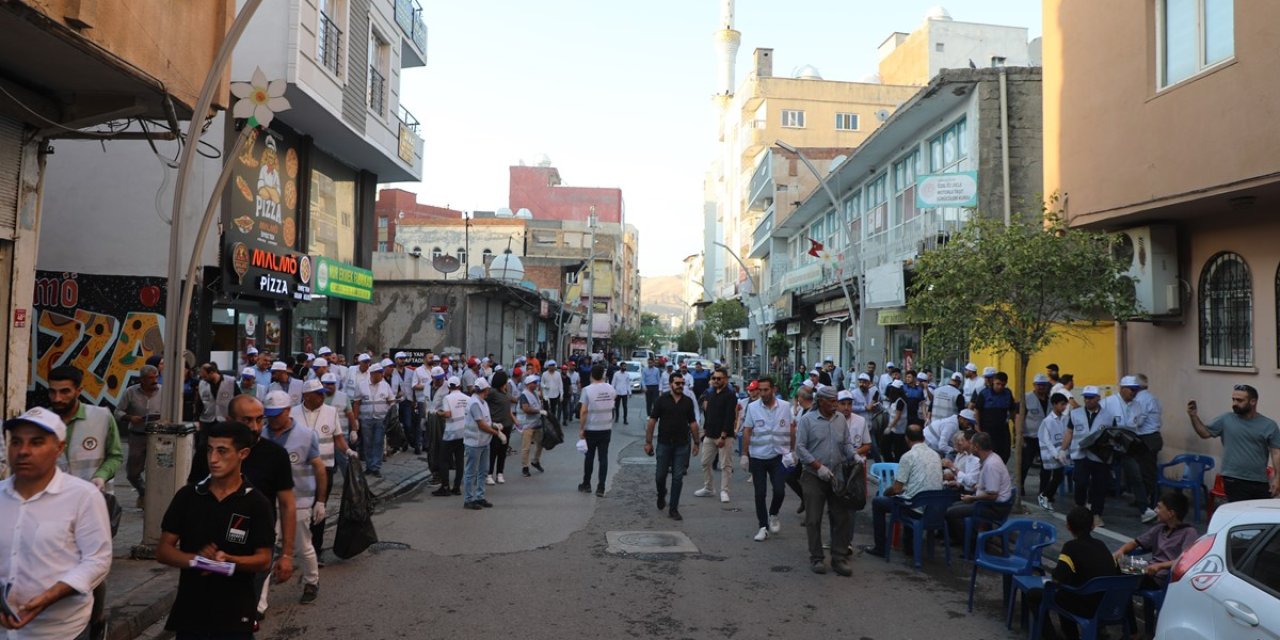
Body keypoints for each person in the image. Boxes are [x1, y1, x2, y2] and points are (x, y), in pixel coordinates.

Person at [0, 407, 112, 639]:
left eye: (36, 443)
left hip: (61, 631)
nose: (23, 451)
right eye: (16, 442)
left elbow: (97, 559)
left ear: (59, 448)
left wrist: (51, 595)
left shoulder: (83, 496)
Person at [157, 421, 274, 639]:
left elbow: (264, 559)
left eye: (222, 451)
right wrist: (196, 560)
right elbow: (163, 550)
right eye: (209, 450)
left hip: (236, 616)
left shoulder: (256, 503)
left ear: (243, 453)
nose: (213, 459)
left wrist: (231, 561)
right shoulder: (188, 497)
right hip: (191, 613)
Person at [189, 395, 296, 623]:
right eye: (247, 420)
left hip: (253, 553)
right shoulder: (209, 454)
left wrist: (286, 554)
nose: (255, 427)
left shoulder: (275, 455)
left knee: (241, 618)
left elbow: (287, 504)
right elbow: (192, 498)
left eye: (260, 420)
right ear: (230, 419)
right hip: (211, 548)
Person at [47, 366, 122, 640]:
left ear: (79, 390)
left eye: (65, 391)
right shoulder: (42, 422)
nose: (58, 397)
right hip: (52, 508)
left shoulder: (101, 417)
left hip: (94, 507)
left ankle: (97, 618)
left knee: (94, 566)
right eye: (53, 391)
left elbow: (115, 456)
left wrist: (101, 477)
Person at [261, 391, 325, 605]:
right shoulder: (262, 435)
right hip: (269, 503)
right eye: (268, 415)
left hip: (299, 502)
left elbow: (319, 469)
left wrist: (321, 501)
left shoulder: (307, 435)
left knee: (302, 546)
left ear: (288, 411)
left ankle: (311, 581)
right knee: (266, 549)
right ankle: (260, 602)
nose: (272, 419)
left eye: (276, 414)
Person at [794, 386, 857, 576]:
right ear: (820, 401)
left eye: (835, 401)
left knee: (841, 518)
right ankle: (817, 557)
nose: (835, 405)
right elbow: (800, 448)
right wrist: (817, 466)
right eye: (831, 401)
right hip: (814, 476)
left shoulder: (840, 420)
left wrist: (854, 456)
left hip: (836, 475)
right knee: (813, 519)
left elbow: (846, 442)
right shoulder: (807, 420)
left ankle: (839, 558)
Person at [1038, 506, 1121, 640]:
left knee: (1038, 595)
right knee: (1067, 594)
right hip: (1109, 606)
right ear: (1093, 526)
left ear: (1068, 527)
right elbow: (1116, 573)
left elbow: (1057, 579)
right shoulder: (1102, 545)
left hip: (1085, 607)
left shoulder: (1070, 547)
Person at [861, 424, 943, 559]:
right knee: (910, 496)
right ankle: (908, 547)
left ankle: (880, 547)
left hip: (916, 508)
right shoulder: (936, 455)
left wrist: (886, 493)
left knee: (878, 502)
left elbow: (897, 489)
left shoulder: (908, 456)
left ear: (907, 439)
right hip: (935, 508)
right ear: (923, 437)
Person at [1188, 383, 1280, 501]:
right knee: (1241, 515)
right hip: (1234, 479)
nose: (1234, 404)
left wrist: (1278, 479)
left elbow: (1276, 453)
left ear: (1253, 402)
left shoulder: (1269, 425)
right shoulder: (1225, 419)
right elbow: (1204, 433)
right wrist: (1193, 416)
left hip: (1260, 479)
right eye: (1233, 399)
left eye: (1240, 400)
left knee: (1258, 516)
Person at [295, 380, 353, 557]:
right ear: (306, 396)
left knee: (319, 509)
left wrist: (348, 451)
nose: (323, 396)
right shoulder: (293, 413)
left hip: (325, 469)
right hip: (301, 471)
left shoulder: (331, 412)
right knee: (301, 509)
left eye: (323, 393)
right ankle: (298, 545)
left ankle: (316, 549)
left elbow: (338, 438)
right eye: (318, 393)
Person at [1113, 491, 1198, 589]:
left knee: (1120, 577)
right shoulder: (1159, 528)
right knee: (1112, 564)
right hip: (1146, 570)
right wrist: (1121, 550)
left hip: (1161, 578)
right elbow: (1135, 543)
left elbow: (1185, 560)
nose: (1156, 510)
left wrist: (1160, 566)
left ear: (1171, 513)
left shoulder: (1189, 532)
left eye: (1159, 507)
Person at [645, 372, 699, 521]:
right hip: (664, 444)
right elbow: (652, 421)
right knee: (660, 476)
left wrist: (696, 442)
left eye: (682, 383)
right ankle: (661, 494)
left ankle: (673, 509)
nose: (681, 386)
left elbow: (693, 422)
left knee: (677, 477)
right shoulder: (661, 400)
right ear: (670, 384)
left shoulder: (687, 402)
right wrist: (648, 442)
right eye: (677, 383)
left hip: (682, 445)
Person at [742, 377, 791, 541]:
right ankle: (763, 526)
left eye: (765, 390)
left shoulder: (785, 406)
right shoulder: (753, 407)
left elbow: (792, 428)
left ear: (773, 389)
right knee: (760, 492)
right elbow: (747, 430)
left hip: (778, 455)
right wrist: (744, 454)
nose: (762, 393)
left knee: (779, 490)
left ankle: (774, 513)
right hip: (758, 456)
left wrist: (792, 451)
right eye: (760, 390)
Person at [945, 432, 1013, 544]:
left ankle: (972, 544)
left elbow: (992, 495)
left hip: (994, 507)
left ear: (976, 447)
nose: (969, 447)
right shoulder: (988, 459)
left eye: (971, 444)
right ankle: (963, 539)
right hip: (986, 501)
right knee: (953, 505)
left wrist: (972, 499)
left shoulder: (991, 464)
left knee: (951, 512)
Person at [1069, 386, 1123, 527]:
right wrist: (1063, 450)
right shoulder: (1075, 413)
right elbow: (1069, 432)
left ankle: (1096, 514)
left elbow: (1114, 435)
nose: (1088, 400)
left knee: (1099, 486)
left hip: (1100, 456)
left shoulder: (1109, 416)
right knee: (1080, 482)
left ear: (1098, 398)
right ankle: (1079, 508)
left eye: (1091, 397)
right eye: (1085, 397)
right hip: (1081, 454)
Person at [115, 364, 162, 507]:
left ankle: (155, 500)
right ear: (142, 379)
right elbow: (118, 412)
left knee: (159, 469)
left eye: (156, 377)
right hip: (137, 435)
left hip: (158, 436)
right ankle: (143, 492)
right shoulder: (130, 392)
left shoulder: (164, 391)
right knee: (133, 473)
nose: (154, 381)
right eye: (150, 378)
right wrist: (130, 418)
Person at [1122, 374, 1163, 522]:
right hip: (1152, 437)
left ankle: (1151, 504)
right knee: (1143, 471)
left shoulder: (1141, 399)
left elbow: (1137, 421)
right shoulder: (1152, 397)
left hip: (1147, 438)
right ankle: (1143, 499)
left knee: (1146, 472)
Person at [696, 368, 737, 503]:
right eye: (714, 378)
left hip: (724, 436)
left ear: (725, 380)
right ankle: (708, 488)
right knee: (705, 462)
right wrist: (704, 431)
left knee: (725, 465)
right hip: (710, 434)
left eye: (719, 378)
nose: (716, 381)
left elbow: (729, 417)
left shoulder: (730, 395)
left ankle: (724, 491)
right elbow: (708, 415)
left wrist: (723, 436)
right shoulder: (711, 393)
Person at [462, 378, 505, 510]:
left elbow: (485, 421)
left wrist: (494, 425)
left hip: (484, 442)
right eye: (487, 389)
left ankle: (480, 497)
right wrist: (496, 433)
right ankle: (469, 499)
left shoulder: (483, 403)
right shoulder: (474, 403)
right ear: (484, 390)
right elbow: (480, 425)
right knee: (471, 472)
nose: (489, 392)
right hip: (474, 442)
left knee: (483, 471)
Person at [579, 365, 616, 496]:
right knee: (603, 458)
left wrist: (581, 429)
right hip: (606, 428)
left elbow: (583, 411)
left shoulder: (587, 390)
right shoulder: (611, 389)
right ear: (603, 375)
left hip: (591, 428)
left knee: (589, 457)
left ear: (591, 375)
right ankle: (601, 487)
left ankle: (587, 483)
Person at [1036, 392, 1072, 511]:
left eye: (1065, 404)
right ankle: (1044, 495)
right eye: (1062, 404)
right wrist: (1055, 454)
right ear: (1054, 404)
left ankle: (1047, 496)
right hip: (1053, 455)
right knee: (1057, 476)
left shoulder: (1065, 419)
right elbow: (1046, 440)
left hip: (1062, 454)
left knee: (1059, 476)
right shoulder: (1047, 421)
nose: (1064, 407)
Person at [358, 363, 395, 477]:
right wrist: (355, 419)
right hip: (366, 419)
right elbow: (356, 402)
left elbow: (391, 400)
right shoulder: (362, 385)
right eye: (379, 373)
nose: (381, 375)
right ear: (373, 374)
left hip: (381, 420)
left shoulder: (385, 386)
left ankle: (376, 467)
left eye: (382, 373)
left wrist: (388, 412)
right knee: (368, 443)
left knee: (378, 443)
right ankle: (369, 466)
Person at [973, 371, 1017, 462]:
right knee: (989, 454)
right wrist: (978, 427)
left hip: (1002, 429)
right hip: (987, 429)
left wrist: (1016, 427)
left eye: (1003, 385)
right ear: (993, 381)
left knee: (1005, 454)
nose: (1000, 387)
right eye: (998, 384)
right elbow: (977, 410)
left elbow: (1012, 411)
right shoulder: (984, 393)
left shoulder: (1008, 393)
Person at [1018, 373, 1052, 488]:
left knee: (1046, 465)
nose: (1041, 387)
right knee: (1025, 464)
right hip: (1030, 437)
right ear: (1034, 385)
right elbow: (1020, 417)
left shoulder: (1051, 400)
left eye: (1043, 385)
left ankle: (1043, 490)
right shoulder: (1026, 398)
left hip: (1045, 438)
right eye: (1038, 385)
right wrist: (1020, 435)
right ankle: (1020, 486)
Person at [485, 370, 516, 486]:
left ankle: (500, 473)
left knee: (503, 451)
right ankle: (489, 474)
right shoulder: (492, 392)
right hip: (496, 426)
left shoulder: (505, 392)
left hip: (507, 425)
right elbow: (483, 401)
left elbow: (510, 403)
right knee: (493, 451)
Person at [515, 375, 546, 477]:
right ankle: (525, 467)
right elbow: (526, 409)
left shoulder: (535, 393)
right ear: (529, 384)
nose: (536, 384)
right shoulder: (524, 395)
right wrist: (539, 411)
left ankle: (535, 461)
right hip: (527, 424)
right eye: (534, 383)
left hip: (537, 423)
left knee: (541, 444)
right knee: (526, 447)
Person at [390, 352, 418, 455]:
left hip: (407, 400)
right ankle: (402, 442)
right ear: (396, 360)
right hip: (396, 401)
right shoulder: (392, 372)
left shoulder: (410, 372)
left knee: (408, 424)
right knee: (397, 424)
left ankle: (410, 441)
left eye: (403, 359)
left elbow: (413, 387)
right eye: (400, 358)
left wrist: (414, 400)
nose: (402, 360)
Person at [196, 363, 237, 433]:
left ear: (212, 373)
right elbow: (199, 403)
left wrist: (234, 416)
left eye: (205, 377)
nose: (203, 379)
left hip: (225, 420)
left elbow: (238, 400)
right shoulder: (202, 383)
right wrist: (197, 419)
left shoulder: (230, 382)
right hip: (207, 420)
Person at [882, 380, 908, 462]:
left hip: (899, 430)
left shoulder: (900, 401)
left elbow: (897, 416)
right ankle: (889, 462)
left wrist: (889, 427)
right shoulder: (895, 400)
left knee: (898, 451)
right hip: (893, 429)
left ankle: (895, 465)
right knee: (885, 447)